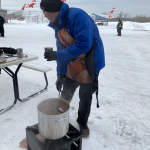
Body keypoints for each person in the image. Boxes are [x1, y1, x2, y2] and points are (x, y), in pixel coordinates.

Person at [40, 0, 105, 137]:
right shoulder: (58, 25)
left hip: (90, 60)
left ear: (53, 10)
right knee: (67, 88)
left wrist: (57, 55)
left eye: (45, 11)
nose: (44, 15)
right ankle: (59, 113)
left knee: (85, 94)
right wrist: (61, 75)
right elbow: (62, 50)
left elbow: (84, 45)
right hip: (74, 60)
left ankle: (82, 122)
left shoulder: (77, 16)